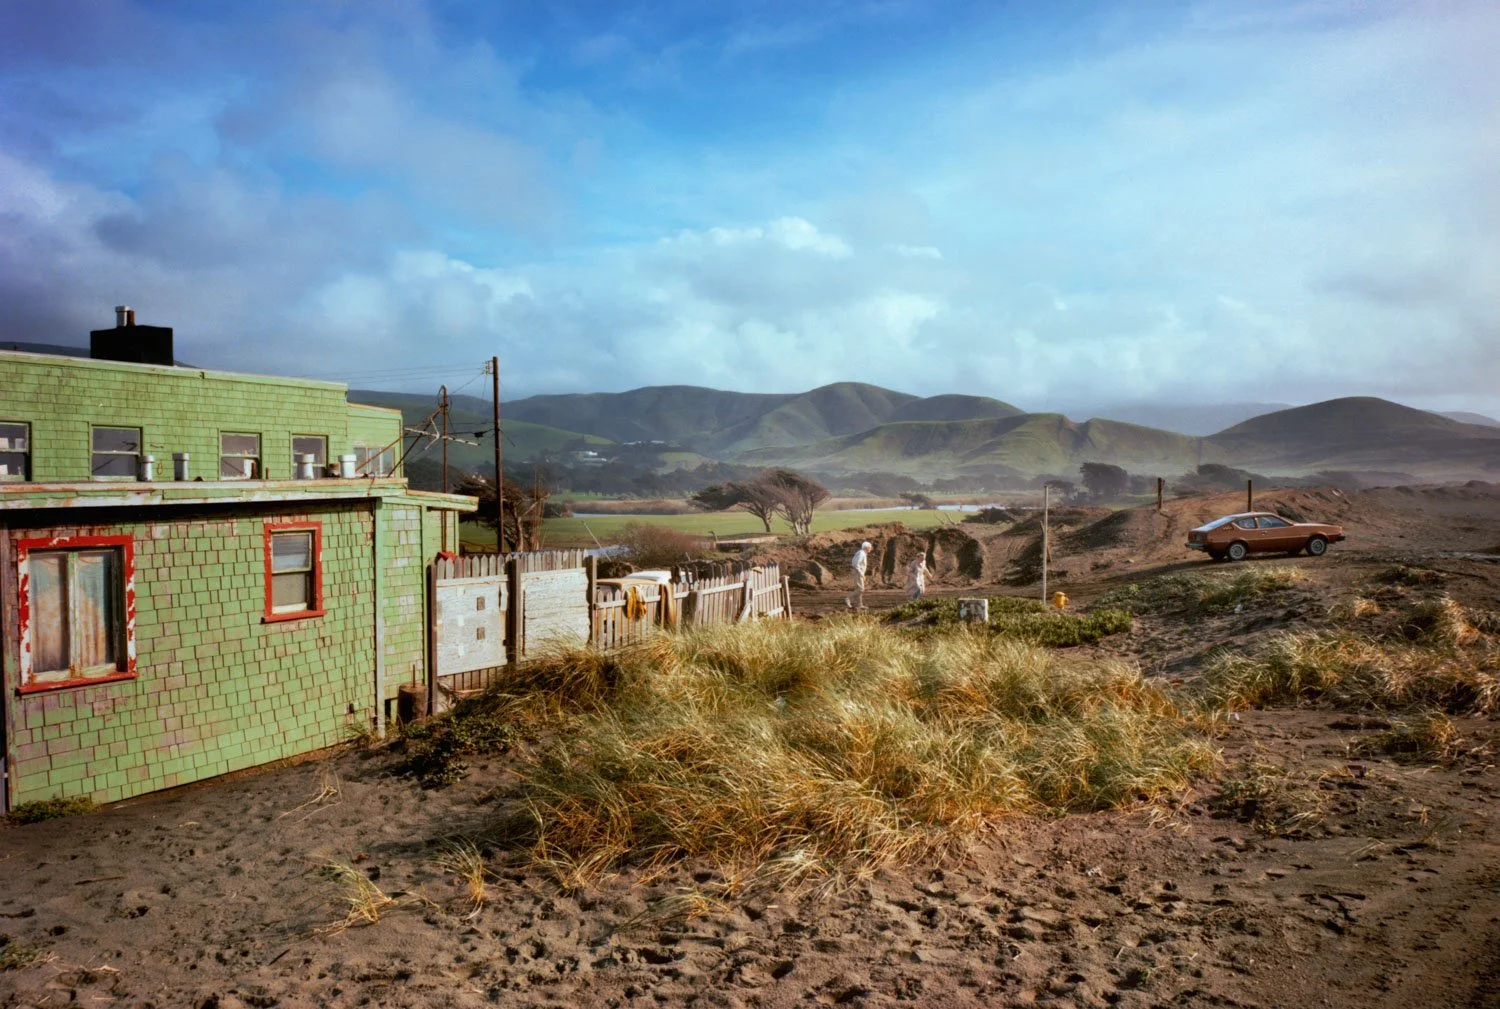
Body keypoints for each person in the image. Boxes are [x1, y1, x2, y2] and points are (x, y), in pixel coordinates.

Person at [845, 540, 873, 610]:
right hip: (857, 572)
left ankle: (860, 605)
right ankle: (848, 598)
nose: (871, 549)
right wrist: (861, 574)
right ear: (866, 548)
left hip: (858, 572)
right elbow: (856, 564)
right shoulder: (861, 554)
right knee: (861, 589)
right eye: (870, 547)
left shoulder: (862, 553)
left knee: (858, 589)